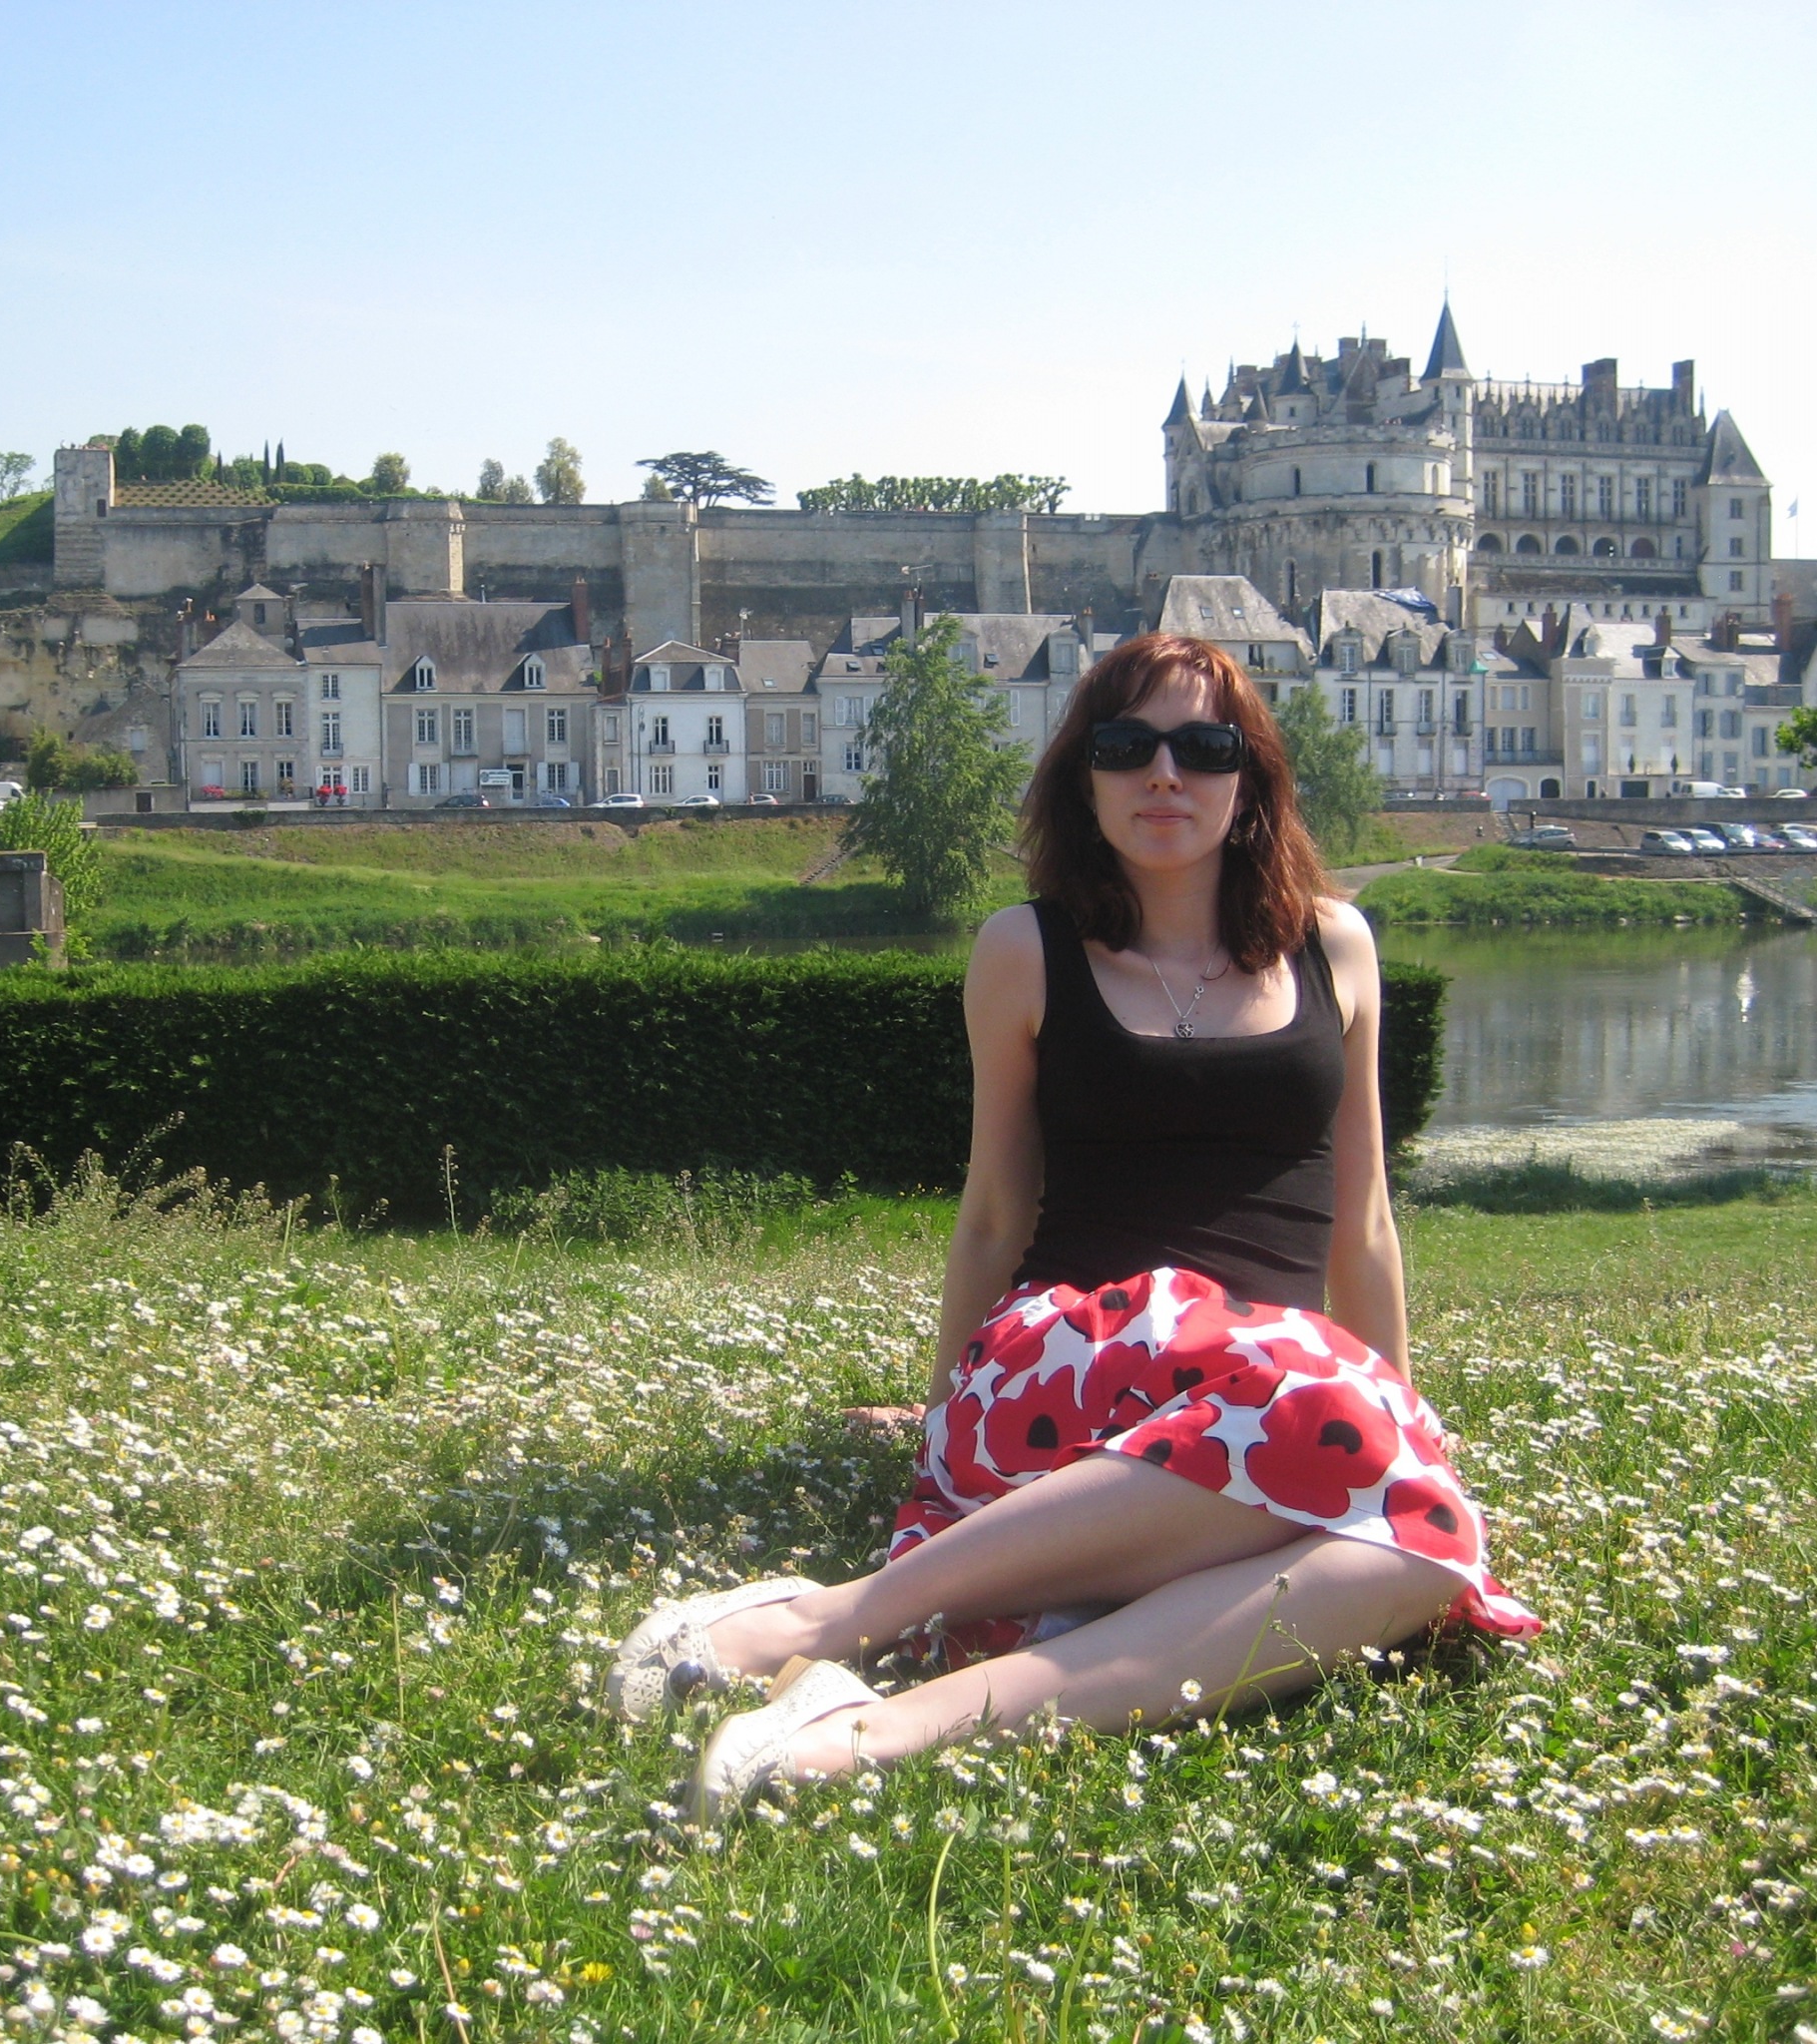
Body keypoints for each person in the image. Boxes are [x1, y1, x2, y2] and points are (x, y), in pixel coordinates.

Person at [606, 634, 1539, 1818]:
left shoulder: (1335, 944)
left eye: (1203, 746)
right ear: (1083, 776)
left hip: (1283, 1396)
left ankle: (864, 1732)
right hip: (1069, 1354)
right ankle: (827, 1618)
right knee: (1342, 1446)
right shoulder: (1025, 949)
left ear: (1250, 778)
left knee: (1421, 1549)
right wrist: (939, 1417)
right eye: (1126, 744)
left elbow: (1361, 1220)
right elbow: (994, 1209)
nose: (1164, 773)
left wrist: (1393, 1414)